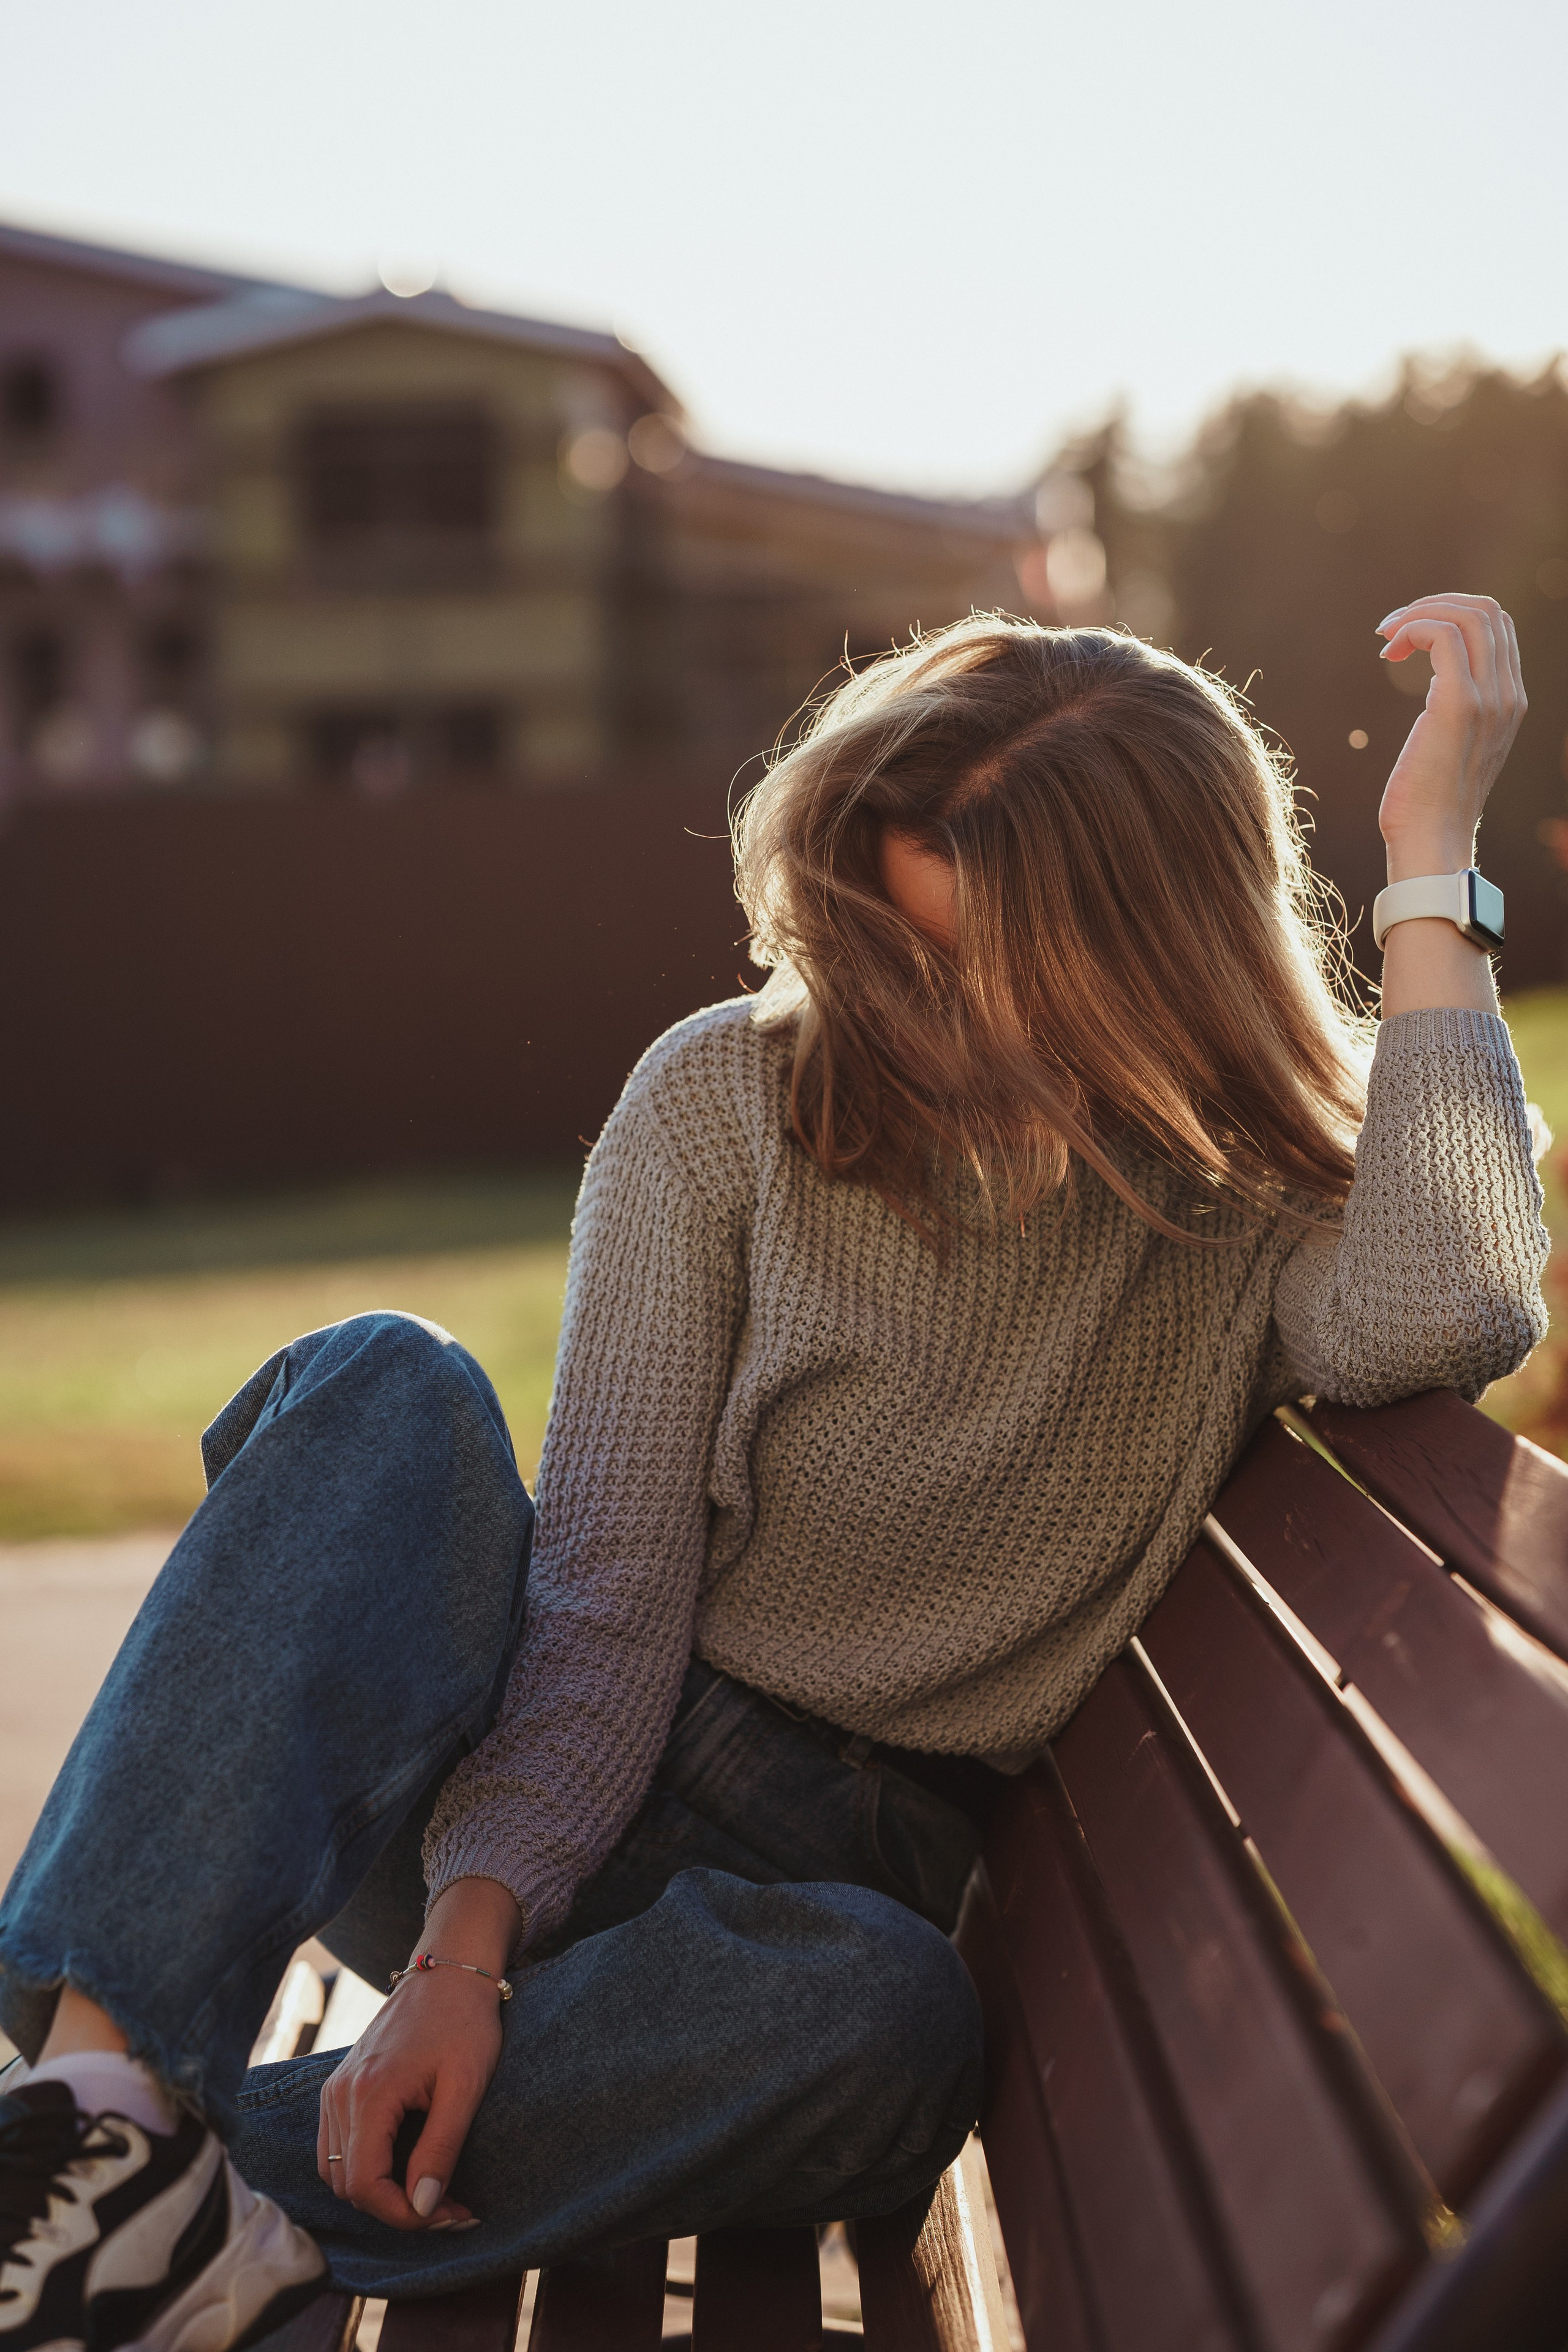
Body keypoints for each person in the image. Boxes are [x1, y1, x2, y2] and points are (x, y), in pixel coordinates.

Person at [0, 594, 1547, 2352]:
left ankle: (197, 2207)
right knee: (384, 1382)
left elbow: (1452, 1299)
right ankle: (94, 2112)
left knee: (893, 2025)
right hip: (521, 1788)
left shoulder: (1242, 1201)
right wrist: (463, 1949)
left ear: (1141, 966)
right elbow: (603, 1602)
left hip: (783, 1938)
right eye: (887, 943)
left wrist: (1433, 855)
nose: (906, 1009)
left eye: (969, 970)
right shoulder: (724, 1103)